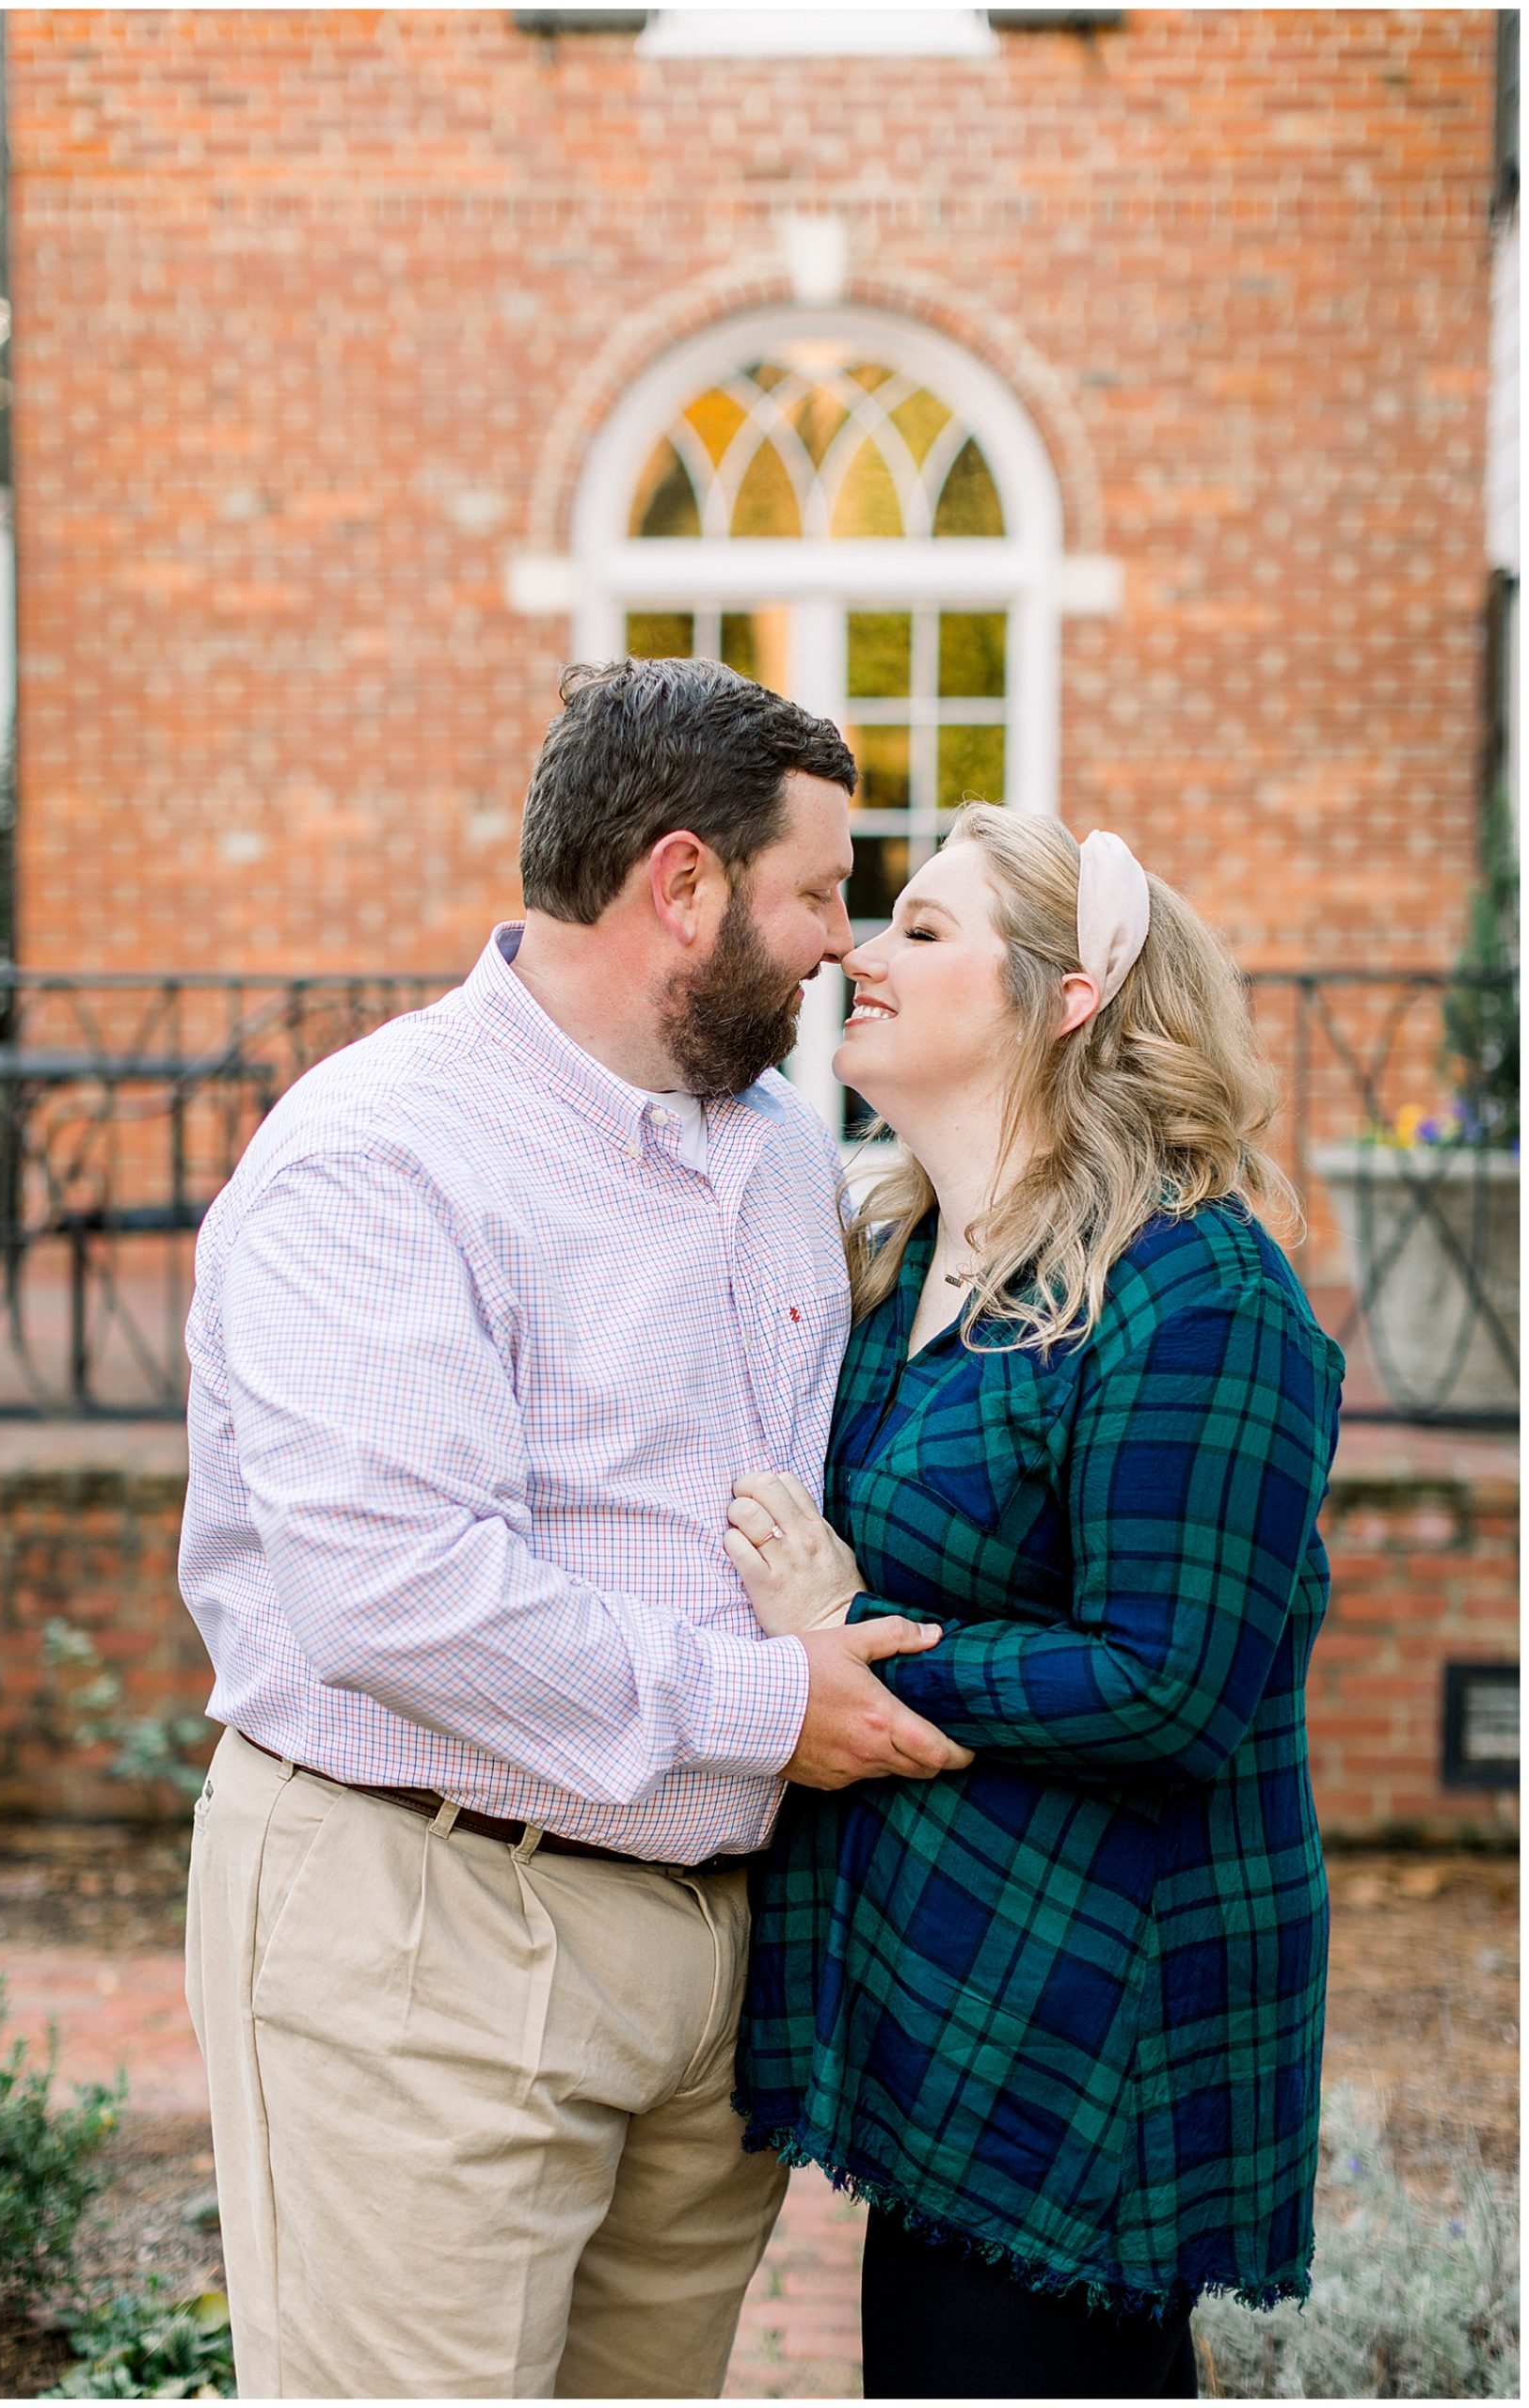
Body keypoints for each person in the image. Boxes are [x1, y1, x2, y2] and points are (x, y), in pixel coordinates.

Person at [178, 657, 970, 2401]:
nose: (843, 943)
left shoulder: (769, 1145)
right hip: (431, 1916)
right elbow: (395, 1590)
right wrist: (777, 1710)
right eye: (818, 894)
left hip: (712, 1961)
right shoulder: (379, 1158)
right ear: (681, 887)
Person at [725, 807, 1345, 2401]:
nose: (859, 952)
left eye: (924, 931)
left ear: (1069, 999)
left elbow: (1169, 1684)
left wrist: (856, 1654)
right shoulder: (902, 1254)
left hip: (1087, 2038)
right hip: (940, 2009)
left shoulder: (1195, 1288)